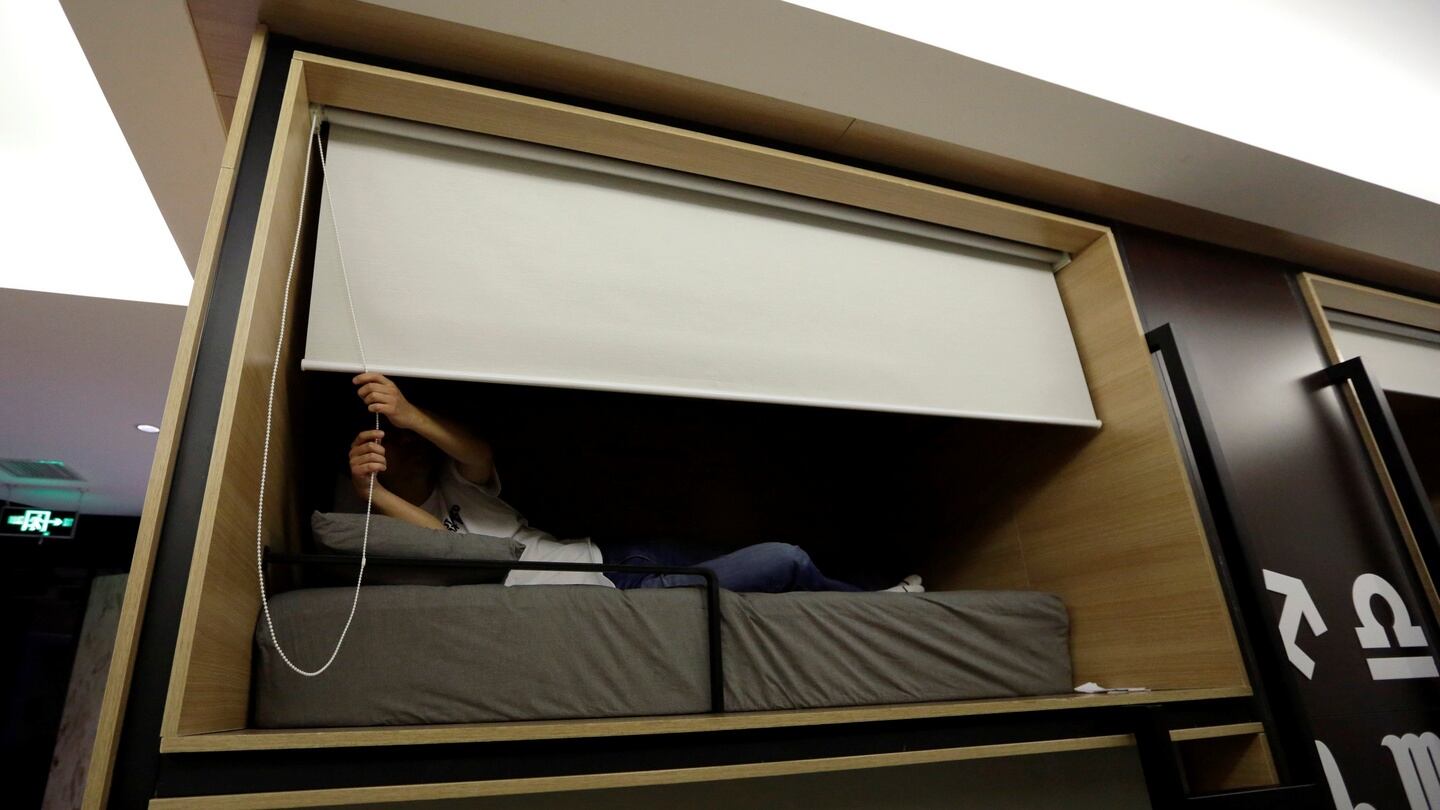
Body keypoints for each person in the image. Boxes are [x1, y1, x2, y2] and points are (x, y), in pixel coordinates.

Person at [345, 373, 924, 593]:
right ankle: (890, 609)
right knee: (785, 561)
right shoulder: (402, 534)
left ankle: (882, 587)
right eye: (392, 442)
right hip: (621, 595)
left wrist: (409, 413)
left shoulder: (455, 483)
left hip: (619, 553)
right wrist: (377, 496)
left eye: (407, 436)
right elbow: (465, 553)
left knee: (785, 551)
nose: (405, 442)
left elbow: (478, 453)